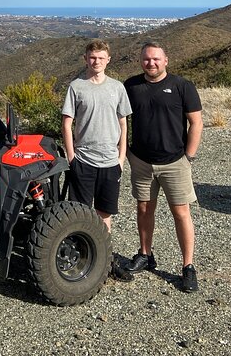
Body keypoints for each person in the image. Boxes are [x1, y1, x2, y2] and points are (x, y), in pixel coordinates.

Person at [123, 41, 203, 293]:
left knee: (181, 213)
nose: (151, 63)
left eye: (156, 59)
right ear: (141, 61)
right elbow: (120, 119)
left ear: (166, 60)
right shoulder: (131, 86)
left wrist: (188, 157)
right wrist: (126, 153)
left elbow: (196, 123)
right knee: (144, 209)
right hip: (142, 161)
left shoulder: (182, 86)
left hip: (174, 162)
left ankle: (188, 266)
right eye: (147, 59)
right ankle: (145, 254)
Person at [62, 39, 133, 282]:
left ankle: (105, 263)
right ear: (86, 59)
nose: (97, 62)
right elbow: (67, 123)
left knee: (104, 215)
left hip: (110, 163)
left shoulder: (117, 88)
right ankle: (78, 260)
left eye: (101, 58)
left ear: (108, 60)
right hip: (83, 161)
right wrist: (72, 157)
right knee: (79, 213)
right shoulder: (76, 87)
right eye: (93, 58)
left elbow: (124, 124)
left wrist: (121, 159)